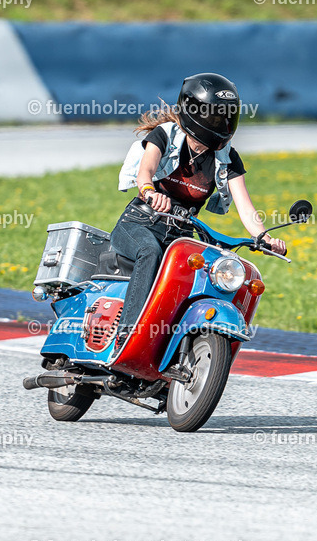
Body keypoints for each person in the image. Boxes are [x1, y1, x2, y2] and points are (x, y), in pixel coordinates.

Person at [110, 72, 286, 348]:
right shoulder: (165, 135)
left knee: (207, 274)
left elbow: (245, 207)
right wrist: (150, 193)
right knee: (150, 251)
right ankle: (127, 333)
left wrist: (265, 238)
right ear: (195, 112)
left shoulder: (227, 158)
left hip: (181, 235)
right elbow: (145, 171)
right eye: (216, 116)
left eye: (227, 117)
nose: (223, 124)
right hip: (140, 222)